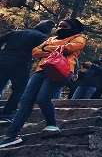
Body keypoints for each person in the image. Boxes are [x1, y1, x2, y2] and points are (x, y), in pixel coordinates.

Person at [0, 18, 86, 149]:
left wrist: (47, 49)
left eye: (65, 25)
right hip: (41, 69)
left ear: (72, 26)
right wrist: (56, 48)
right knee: (25, 100)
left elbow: (71, 48)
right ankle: (11, 135)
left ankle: (52, 124)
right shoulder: (51, 38)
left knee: (42, 98)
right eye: (60, 25)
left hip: (61, 69)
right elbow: (35, 52)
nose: (61, 27)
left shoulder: (79, 37)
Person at [0, 20, 54, 123]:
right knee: (19, 89)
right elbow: (45, 51)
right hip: (21, 63)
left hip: (3, 60)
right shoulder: (42, 37)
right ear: (48, 30)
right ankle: (7, 113)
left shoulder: (16, 32)